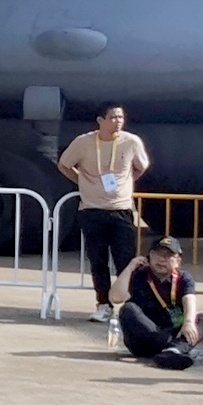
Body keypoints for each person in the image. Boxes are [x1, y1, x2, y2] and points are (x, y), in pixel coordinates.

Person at [56, 101, 151, 324]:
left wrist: (126, 183)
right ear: (100, 120)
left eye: (121, 117)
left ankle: (130, 306)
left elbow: (141, 166)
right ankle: (103, 304)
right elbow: (64, 164)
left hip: (121, 210)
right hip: (92, 210)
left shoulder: (131, 141)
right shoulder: (83, 142)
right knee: (98, 261)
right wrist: (82, 182)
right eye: (113, 117)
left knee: (126, 262)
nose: (118, 122)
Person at [113, 236, 201, 368]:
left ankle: (171, 352)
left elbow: (189, 299)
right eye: (157, 254)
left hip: (171, 330)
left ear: (178, 261)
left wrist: (189, 323)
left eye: (168, 256)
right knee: (128, 309)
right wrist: (130, 268)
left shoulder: (184, 278)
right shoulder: (139, 274)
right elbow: (115, 297)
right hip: (143, 341)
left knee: (202, 319)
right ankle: (174, 349)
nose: (161, 260)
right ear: (149, 256)